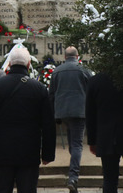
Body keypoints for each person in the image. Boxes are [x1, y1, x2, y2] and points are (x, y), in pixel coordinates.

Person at [0, 46, 56, 193]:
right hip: (29, 152)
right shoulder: (39, 88)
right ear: (28, 65)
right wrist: (47, 154)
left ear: (9, 64)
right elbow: (48, 123)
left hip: (0, 152)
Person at [49, 46, 92, 192]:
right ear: (77, 56)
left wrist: (55, 113)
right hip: (79, 112)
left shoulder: (57, 71)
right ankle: (73, 177)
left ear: (65, 56)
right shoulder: (84, 70)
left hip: (63, 112)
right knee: (77, 144)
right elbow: (91, 90)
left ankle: (73, 168)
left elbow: (52, 94)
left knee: (72, 143)